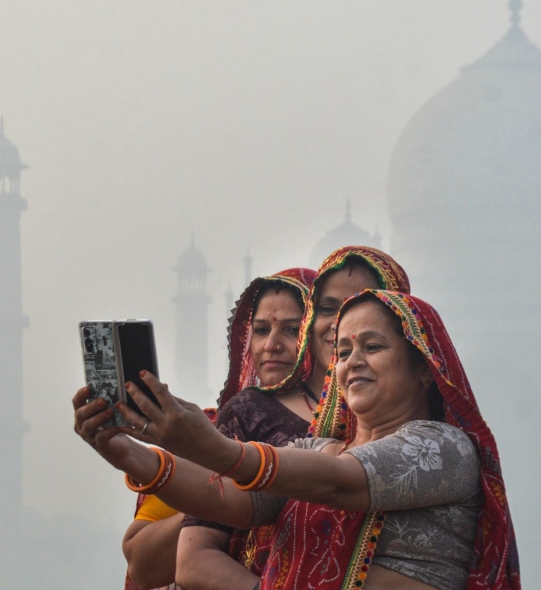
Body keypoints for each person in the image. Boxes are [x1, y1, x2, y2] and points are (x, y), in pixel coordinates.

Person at [74, 289, 519, 590]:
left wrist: (208, 445)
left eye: (373, 347)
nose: (352, 362)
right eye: (342, 352)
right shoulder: (314, 448)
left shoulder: (444, 449)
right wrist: (129, 453)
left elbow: (339, 483)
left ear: (424, 368)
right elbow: (229, 500)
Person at [176, 247, 410, 588]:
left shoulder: (427, 436)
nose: (341, 323)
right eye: (328, 308)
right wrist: (140, 452)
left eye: (358, 306)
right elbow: (197, 552)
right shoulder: (252, 414)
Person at [123, 267, 315, 590]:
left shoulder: (349, 426)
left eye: (292, 330)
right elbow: (141, 564)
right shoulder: (219, 427)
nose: (272, 345)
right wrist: (216, 502)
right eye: (261, 329)